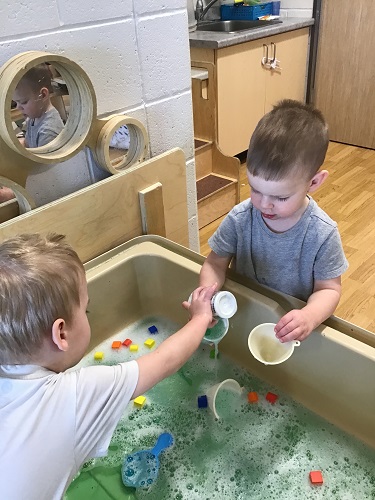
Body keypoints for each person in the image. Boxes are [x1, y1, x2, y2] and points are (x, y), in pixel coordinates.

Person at [0, 233, 216, 500]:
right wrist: (201, 317)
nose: (88, 315)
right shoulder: (74, 395)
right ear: (62, 334)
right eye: (86, 311)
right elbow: (165, 360)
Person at [200, 99, 348, 343]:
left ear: (314, 183)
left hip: (287, 326)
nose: (264, 204)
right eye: (255, 189)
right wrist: (208, 296)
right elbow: (215, 264)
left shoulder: (322, 234)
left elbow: (329, 289)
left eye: (280, 197)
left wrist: (309, 316)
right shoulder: (241, 218)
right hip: (244, 311)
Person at [12, 64, 64, 148]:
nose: (18, 107)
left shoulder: (48, 132)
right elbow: (27, 144)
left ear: (43, 95)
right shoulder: (33, 117)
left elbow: (40, 160)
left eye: (23, 102)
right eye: (16, 103)